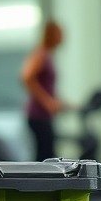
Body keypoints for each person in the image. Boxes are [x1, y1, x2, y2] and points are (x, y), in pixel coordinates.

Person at [21, 19, 70, 161]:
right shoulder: (41, 54)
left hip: (44, 115)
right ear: (52, 35)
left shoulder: (48, 55)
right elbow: (26, 77)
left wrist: (60, 102)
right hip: (37, 115)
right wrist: (47, 101)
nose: (63, 37)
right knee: (44, 157)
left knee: (47, 154)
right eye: (60, 34)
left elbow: (46, 86)